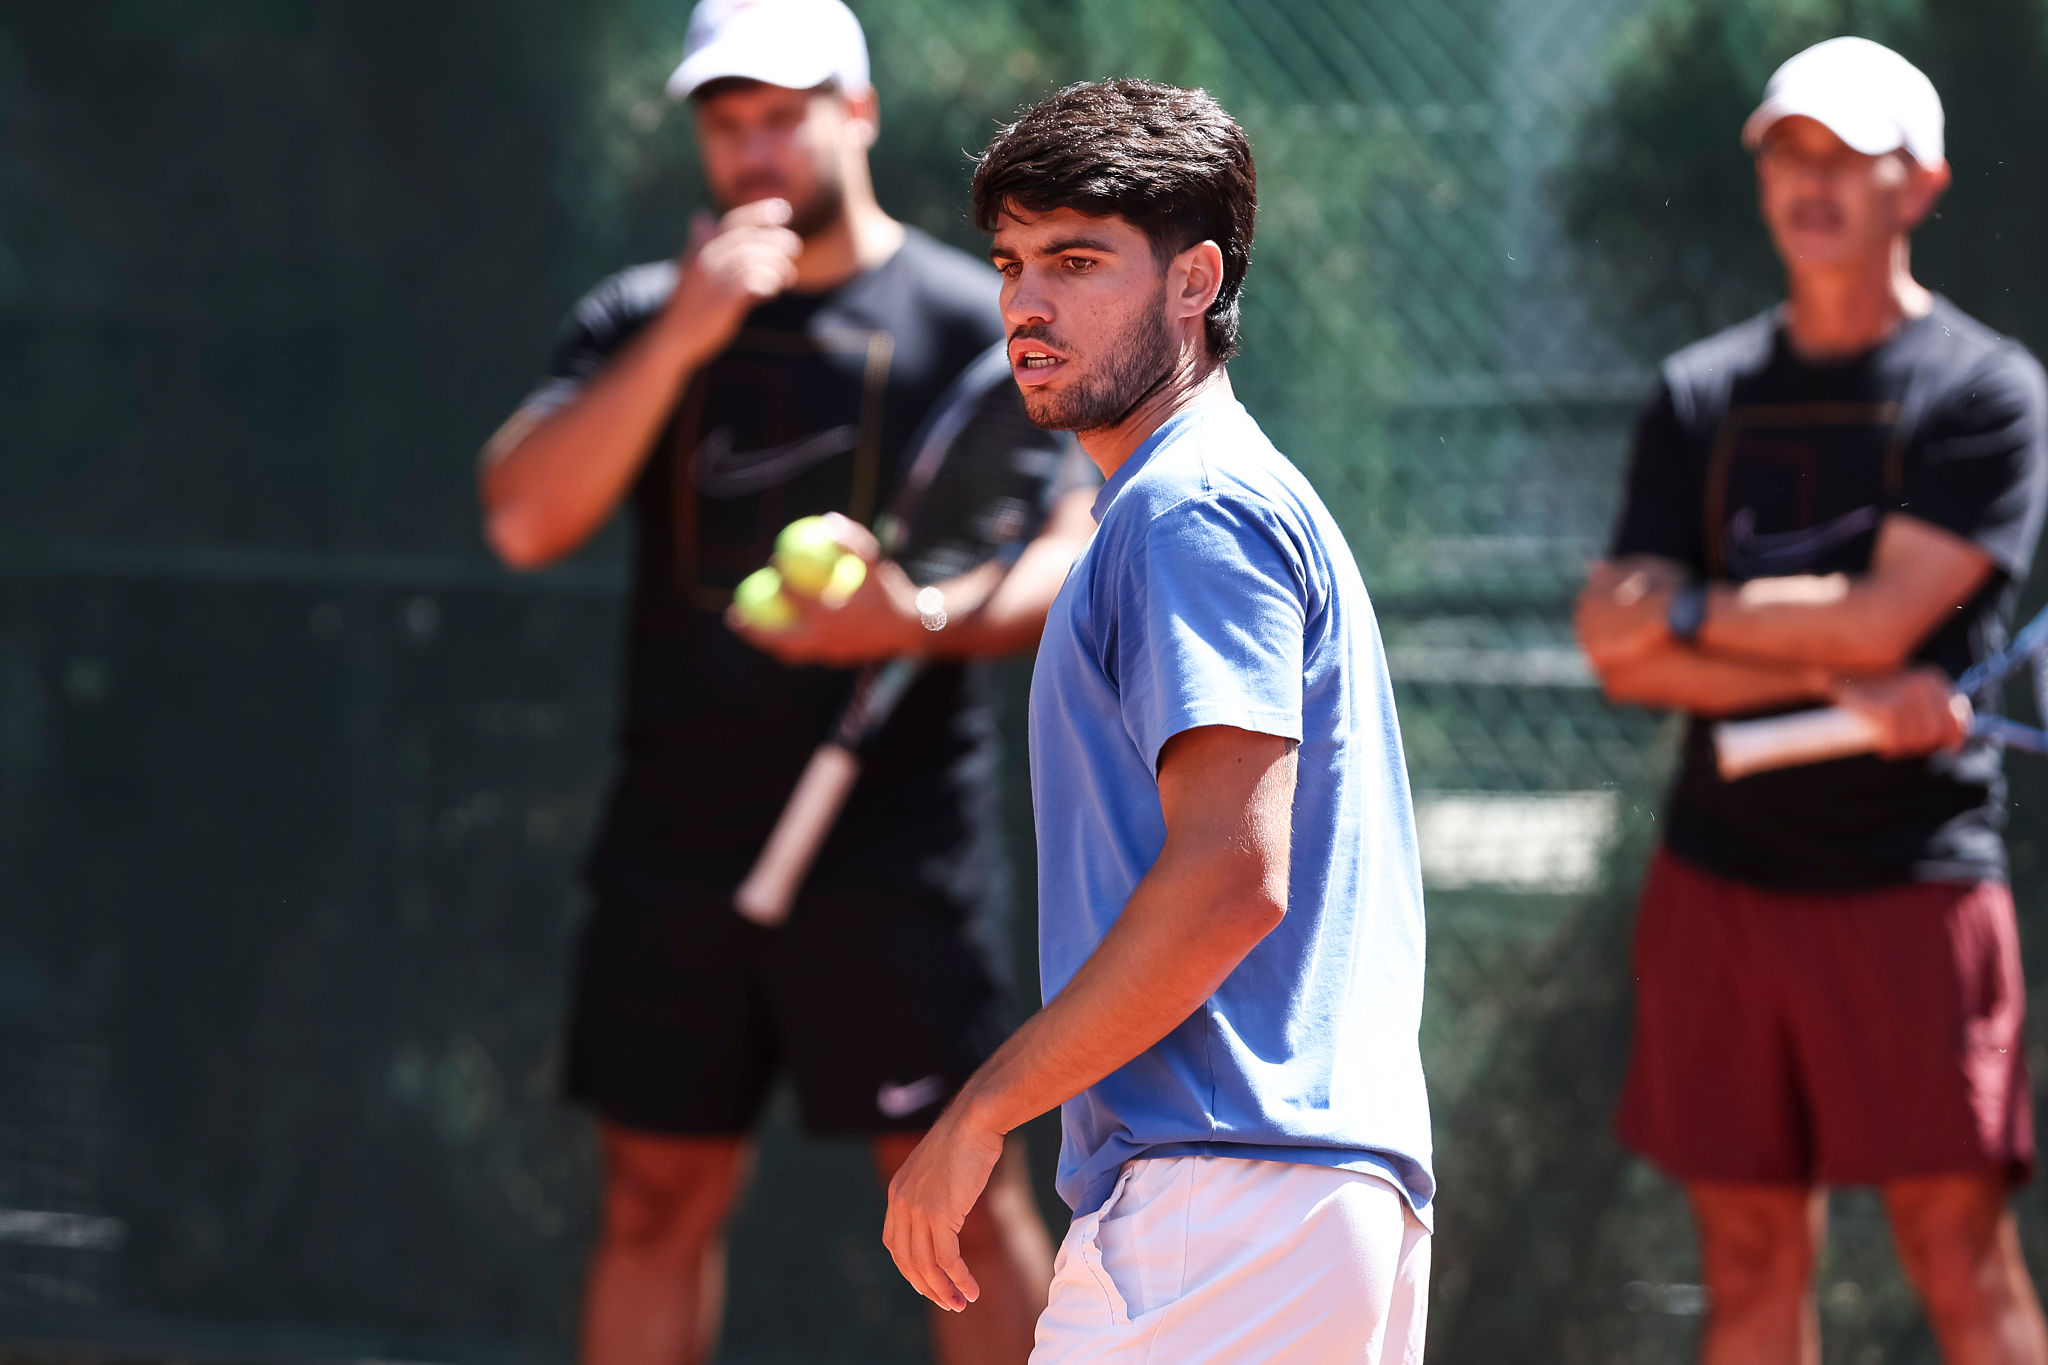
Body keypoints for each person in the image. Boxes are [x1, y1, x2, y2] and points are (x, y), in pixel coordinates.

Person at [478, 2, 1088, 1362]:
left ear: (856, 113)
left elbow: (1073, 554)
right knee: (652, 1199)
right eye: (725, 121)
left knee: (963, 1211)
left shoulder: (966, 322)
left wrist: (911, 618)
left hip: (896, 852)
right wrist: (684, 338)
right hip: (674, 847)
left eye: (783, 115)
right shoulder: (642, 317)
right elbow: (523, 518)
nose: (753, 150)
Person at [881, 79, 1436, 1364]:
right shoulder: (1210, 496)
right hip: (1286, 1199)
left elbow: (1229, 877)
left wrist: (979, 1113)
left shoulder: (1188, 507)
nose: (1026, 302)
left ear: (1194, 281)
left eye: (1077, 261)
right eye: (1013, 261)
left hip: (1223, 1200)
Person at [1575, 36, 2048, 1365]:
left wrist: (1680, 615)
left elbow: (1882, 616)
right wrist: (1829, 657)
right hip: (1718, 882)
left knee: (1959, 1257)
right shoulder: (1696, 395)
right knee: (1745, 1261)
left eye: (1849, 154)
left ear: (1924, 183)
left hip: (1915, 883)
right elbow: (1623, 663)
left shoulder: (1987, 393)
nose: (1813, 179)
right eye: (1790, 151)